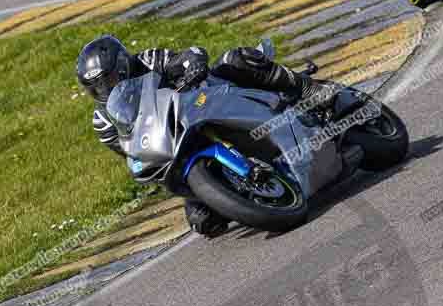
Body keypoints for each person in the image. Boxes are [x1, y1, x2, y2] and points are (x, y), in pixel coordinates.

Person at [76, 35, 336, 237]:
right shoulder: (103, 121)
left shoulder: (148, 60)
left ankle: (306, 87)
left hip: (203, 103)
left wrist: (192, 65)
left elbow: (190, 55)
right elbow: (131, 150)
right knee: (204, 222)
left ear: (123, 66)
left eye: (109, 80)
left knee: (235, 60)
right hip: (176, 146)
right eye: (97, 87)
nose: (105, 89)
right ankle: (249, 189)